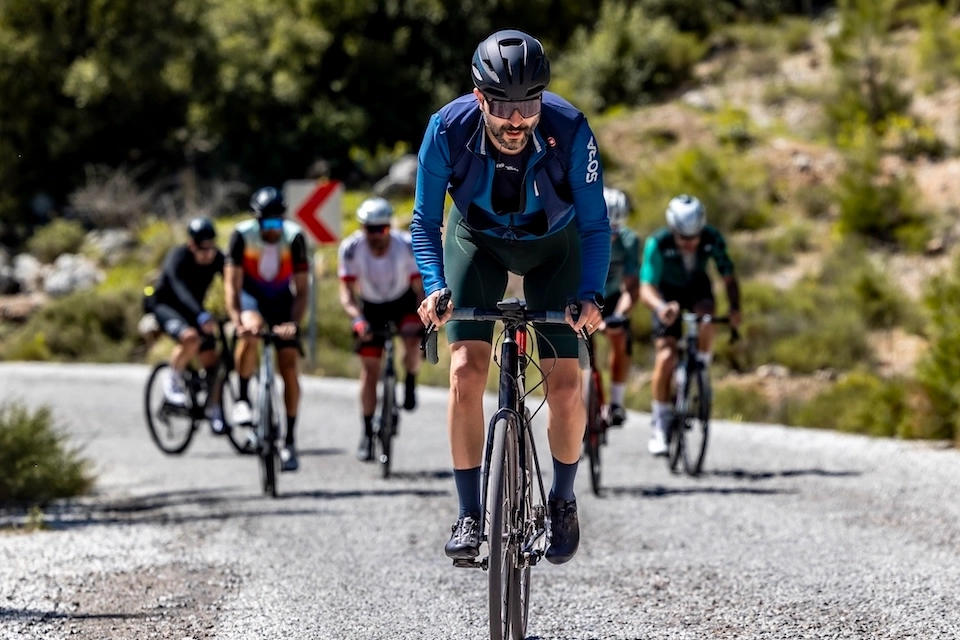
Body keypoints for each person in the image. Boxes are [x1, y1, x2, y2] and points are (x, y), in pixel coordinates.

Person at [411, 29, 610, 565]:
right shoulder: (446, 129)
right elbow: (425, 221)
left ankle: (562, 500)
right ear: (479, 98)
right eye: (502, 106)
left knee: (564, 386)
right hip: (476, 242)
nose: (517, 119)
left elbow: (595, 225)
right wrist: (434, 286)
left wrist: (590, 296)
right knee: (465, 370)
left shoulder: (571, 130)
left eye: (529, 104)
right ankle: (469, 512)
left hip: (554, 248)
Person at [639, 194, 741, 456]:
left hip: (697, 287)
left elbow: (728, 275)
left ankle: (701, 367)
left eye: (695, 237)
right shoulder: (658, 243)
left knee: (707, 316)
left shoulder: (712, 238)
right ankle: (660, 424)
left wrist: (734, 307)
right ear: (672, 229)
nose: (690, 243)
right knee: (666, 355)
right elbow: (646, 287)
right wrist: (661, 308)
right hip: (666, 293)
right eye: (683, 238)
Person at [224, 187, 310, 472]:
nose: (272, 229)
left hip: (282, 300)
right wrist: (237, 321)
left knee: (289, 366)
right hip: (252, 297)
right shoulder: (242, 235)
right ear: (257, 219)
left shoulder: (294, 237)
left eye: (277, 222)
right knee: (252, 330)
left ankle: (289, 439)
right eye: (266, 223)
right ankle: (242, 398)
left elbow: (302, 290)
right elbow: (232, 285)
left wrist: (294, 324)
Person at [338, 197, 425, 462]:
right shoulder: (351, 248)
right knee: (370, 370)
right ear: (362, 228)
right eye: (370, 229)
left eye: (382, 229)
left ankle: (410, 380)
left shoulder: (405, 245)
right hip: (371, 307)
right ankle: (366, 433)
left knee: (412, 341)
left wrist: (422, 316)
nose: (376, 235)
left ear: (390, 227)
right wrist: (357, 319)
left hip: (403, 302)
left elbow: (420, 287)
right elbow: (346, 292)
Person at [145, 217, 226, 433]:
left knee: (213, 360)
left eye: (211, 247)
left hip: (195, 311)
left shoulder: (217, 258)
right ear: (191, 245)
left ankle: (216, 409)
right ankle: (172, 380)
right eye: (202, 249)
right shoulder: (178, 257)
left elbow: (232, 281)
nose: (208, 254)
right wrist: (201, 315)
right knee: (190, 338)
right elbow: (179, 289)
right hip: (167, 307)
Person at [596, 186, 641, 427]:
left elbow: (632, 287)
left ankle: (616, 402)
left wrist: (619, 315)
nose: (611, 235)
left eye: (616, 228)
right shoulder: (578, 233)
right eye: (606, 228)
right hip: (581, 295)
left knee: (620, 337)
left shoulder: (629, 241)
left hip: (612, 298)